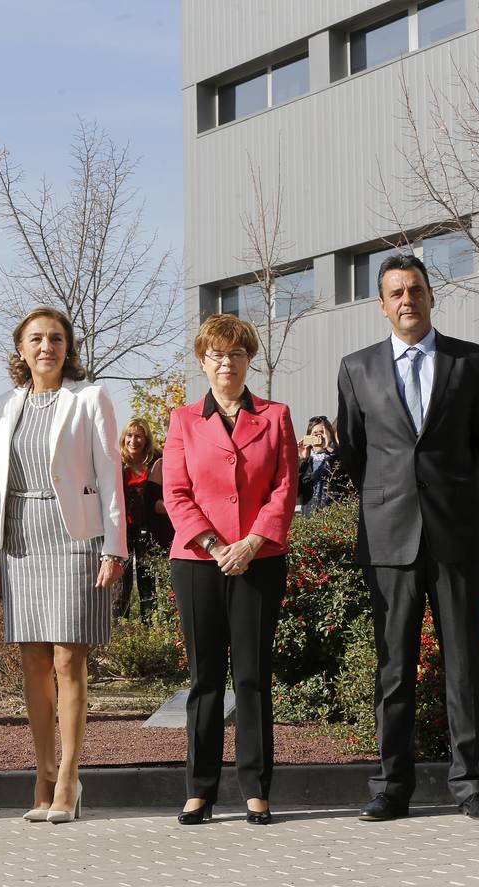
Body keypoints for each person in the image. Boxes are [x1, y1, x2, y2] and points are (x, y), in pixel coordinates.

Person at [335, 253, 479, 822]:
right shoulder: (356, 368)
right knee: (394, 666)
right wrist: (393, 497)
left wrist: (449, 495)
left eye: (416, 290)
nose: (408, 300)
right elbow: (355, 454)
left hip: (457, 534)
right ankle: (391, 787)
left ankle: (474, 785)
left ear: (432, 296)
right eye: (396, 293)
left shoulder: (472, 362)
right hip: (389, 536)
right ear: (381, 305)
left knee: (463, 663)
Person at [0, 307, 126, 824]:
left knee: (68, 659)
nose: (47, 347)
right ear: (20, 348)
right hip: (20, 536)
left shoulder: (90, 397)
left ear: (69, 347)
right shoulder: (3, 405)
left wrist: (115, 547)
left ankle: (68, 777)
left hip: (75, 537)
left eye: (57, 338)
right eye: (36, 338)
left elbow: (110, 474)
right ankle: (41, 775)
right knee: (34, 663)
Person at [163, 314, 296, 827]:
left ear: (248, 360)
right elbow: (176, 492)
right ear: (203, 362)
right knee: (205, 680)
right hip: (198, 561)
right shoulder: (182, 420)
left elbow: (285, 487)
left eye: (236, 354)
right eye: (216, 355)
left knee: (253, 676)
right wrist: (218, 545)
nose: (226, 363)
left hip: (259, 560)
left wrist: (252, 542)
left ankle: (256, 789)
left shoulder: (276, 415)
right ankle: (200, 789)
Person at [119, 417, 173, 618]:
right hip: (122, 529)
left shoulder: (155, 463)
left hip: (148, 529)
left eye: (138, 436)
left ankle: (150, 623)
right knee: (121, 581)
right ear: (124, 438)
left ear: (146, 439)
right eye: (130, 436)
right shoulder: (118, 464)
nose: (134, 440)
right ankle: (122, 625)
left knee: (147, 578)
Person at [297, 415, 348, 516]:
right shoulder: (306, 461)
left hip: (333, 517)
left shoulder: (337, 456)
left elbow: (343, 476)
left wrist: (328, 447)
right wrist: (303, 461)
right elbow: (300, 494)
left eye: (322, 433)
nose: (318, 437)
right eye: (314, 433)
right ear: (308, 437)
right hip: (310, 518)